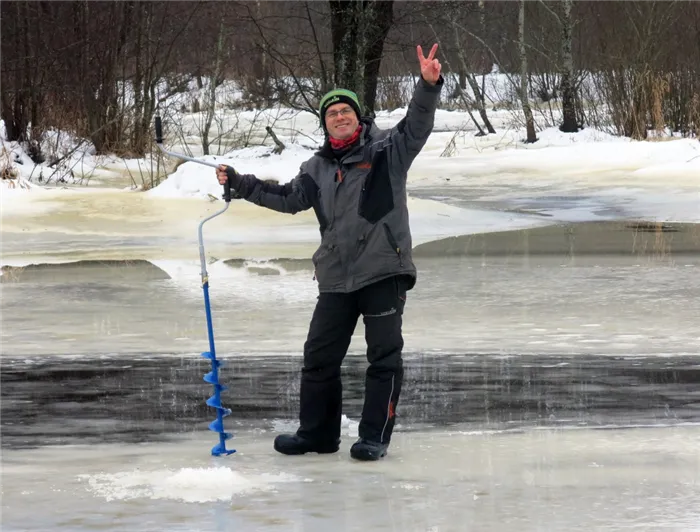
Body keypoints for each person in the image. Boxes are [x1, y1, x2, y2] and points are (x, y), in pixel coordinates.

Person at [216, 43, 443, 461]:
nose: (340, 117)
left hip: (382, 271)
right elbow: (286, 198)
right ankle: (317, 435)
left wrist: (427, 86)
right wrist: (240, 183)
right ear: (326, 124)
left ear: (358, 116)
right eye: (332, 114)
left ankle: (373, 437)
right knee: (318, 358)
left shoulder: (387, 151)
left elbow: (417, 125)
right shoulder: (317, 168)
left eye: (346, 111)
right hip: (336, 276)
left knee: (384, 358)